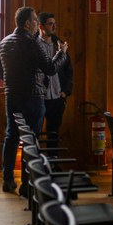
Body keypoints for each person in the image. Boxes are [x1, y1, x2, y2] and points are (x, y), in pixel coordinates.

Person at [0, 6, 68, 193]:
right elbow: (50, 69)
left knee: (11, 136)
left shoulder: (4, 42)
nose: (37, 24)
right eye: (35, 20)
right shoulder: (31, 42)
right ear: (28, 23)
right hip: (33, 96)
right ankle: (27, 184)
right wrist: (62, 53)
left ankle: (7, 178)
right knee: (32, 140)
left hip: (11, 95)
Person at [37, 12, 73, 154]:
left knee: (54, 132)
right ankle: (37, 165)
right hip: (39, 96)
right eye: (50, 24)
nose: (54, 27)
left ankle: (53, 162)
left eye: (55, 24)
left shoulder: (59, 45)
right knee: (36, 132)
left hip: (57, 96)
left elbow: (68, 71)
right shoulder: (35, 46)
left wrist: (65, 91)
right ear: (41, 26)